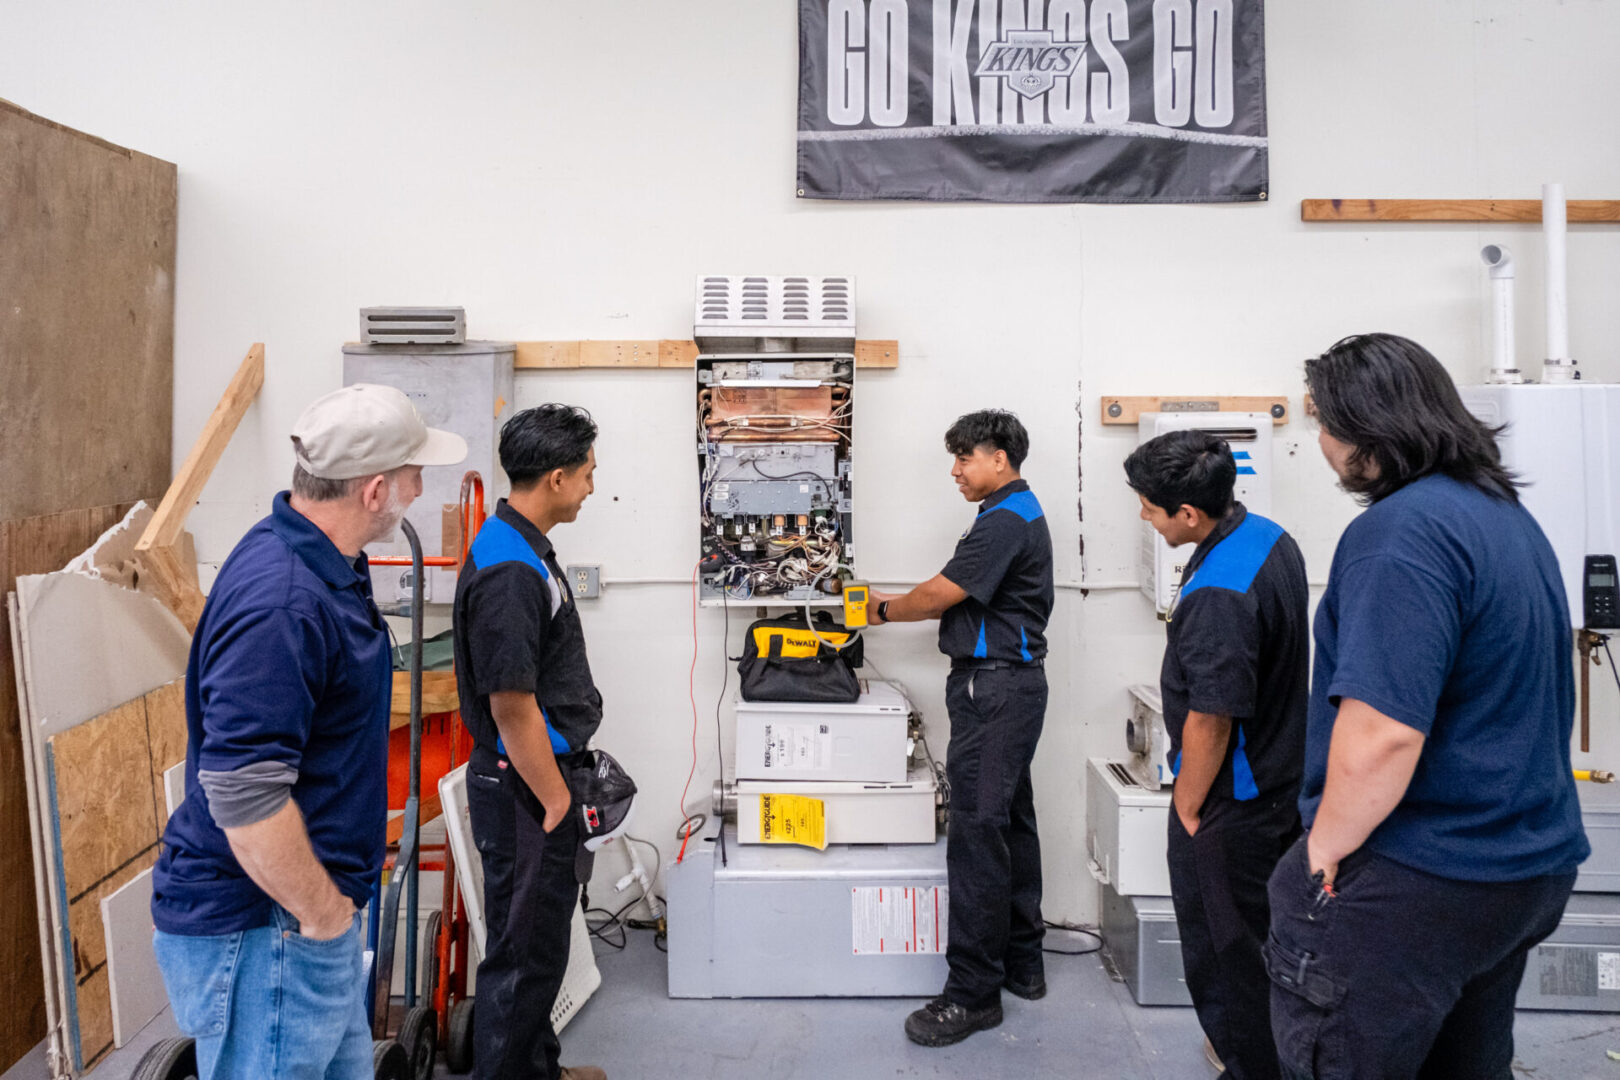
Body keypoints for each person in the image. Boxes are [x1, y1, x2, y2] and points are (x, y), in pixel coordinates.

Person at [1268, 333, 1589, 1079]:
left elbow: (1381, 733)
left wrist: (1320, 858)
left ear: (1365, 430)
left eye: (1323, 422)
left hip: (1419, 876)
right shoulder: (1502, 515)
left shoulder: (1399, 534)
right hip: (1520, 870)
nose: (1319, 442)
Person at [151, 384, 466, 1079]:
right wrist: (323, 916)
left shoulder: (327, 563)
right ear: (377, 491)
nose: (422, 486)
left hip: (301, 923)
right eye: (417, 473)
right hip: (267, 928)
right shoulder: (282, 602)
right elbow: (244, 794)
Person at [1124, 430, 1308, 1080]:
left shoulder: (1219, 596)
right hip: (1283, 782)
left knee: (1227, 952)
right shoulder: (1265, 537)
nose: (1142, 514)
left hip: (1234, 804)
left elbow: (1211, 718)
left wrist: (1189, 805)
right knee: (1267, 942)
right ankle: (1264, 1050)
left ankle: (1249, 1063)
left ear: (1189, 514)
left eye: (1148, 506)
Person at [867, 409, 1054, 1047]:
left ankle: (973, 995)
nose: (956, 470)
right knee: (1010, 820)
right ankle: (1024, 962)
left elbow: (939, 595)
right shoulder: (1013, 513)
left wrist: (879, 609)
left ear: (999, 458)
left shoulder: (1005, 520)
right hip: (1012, 687)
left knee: (976, 832)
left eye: (965, 458)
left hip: (993, 687)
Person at [452, 405, 607, 1080]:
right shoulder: (511, 571)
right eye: (588, 475)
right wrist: (553, 799)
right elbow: (511, 704)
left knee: (540, 944)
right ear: (555, 478)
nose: (592, 488)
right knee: (520, 955)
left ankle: (537, 1069)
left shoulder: (518, 545)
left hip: (533, 781)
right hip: (526, 790)